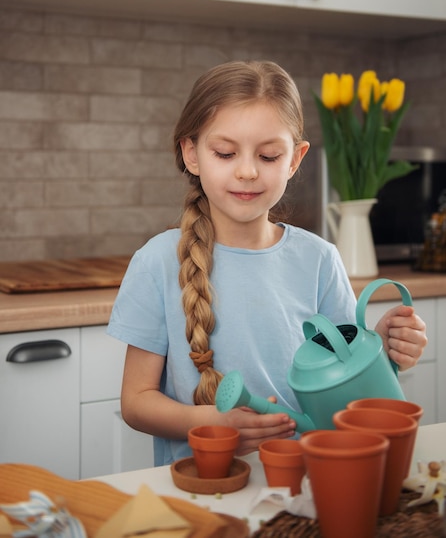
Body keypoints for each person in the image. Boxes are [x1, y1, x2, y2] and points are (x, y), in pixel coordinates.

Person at [107, 60, 427, 466]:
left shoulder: (319, 259)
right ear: (191, 153)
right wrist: (210, 422)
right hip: (206, 488)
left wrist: (383, 347)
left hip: (307, 481)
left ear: (295, 159)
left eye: (269, 155)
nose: (247, 171)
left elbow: (345, 386)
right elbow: (136, 403)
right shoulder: (157, 262)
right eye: (225, 153)